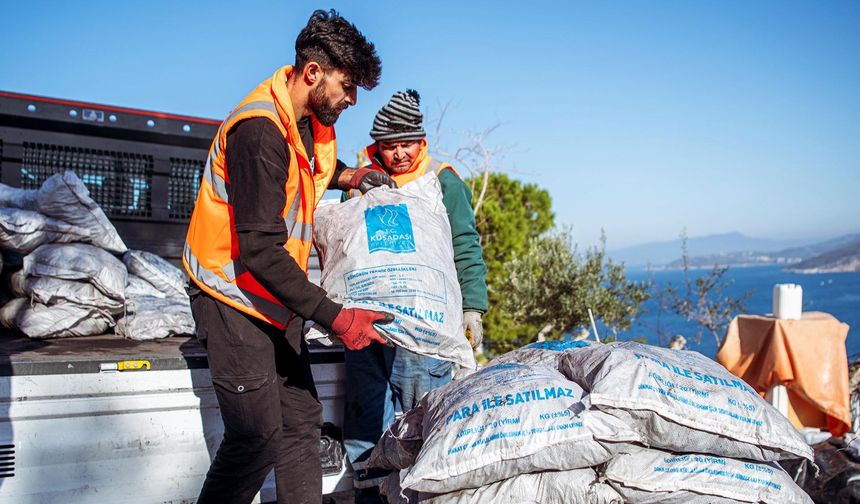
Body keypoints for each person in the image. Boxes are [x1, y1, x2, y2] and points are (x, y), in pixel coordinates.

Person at [183, 10, 396, 504]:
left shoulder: (303, 122)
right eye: (347, 86)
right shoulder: (258, 132)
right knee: (254, 438)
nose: (351, 100)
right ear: (313, 73)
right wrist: (336, 316)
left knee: (301, 425)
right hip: (232, 296)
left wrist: (351, 177)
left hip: (275, 297)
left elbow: (313, 170)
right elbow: (257, 249)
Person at [342, 89, 489, 503]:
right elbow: (342, 246)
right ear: (377, 146)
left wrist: (472, 307)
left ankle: (422, 495)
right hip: (368, 322)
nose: (400, 154)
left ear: (421, 142)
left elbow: (465, 243)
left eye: (407, 144)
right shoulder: (360, 181)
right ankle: (371, 496)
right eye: (390, 146)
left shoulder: (442, 179)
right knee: (365, 418)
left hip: (425, 327)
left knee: (418, 421)